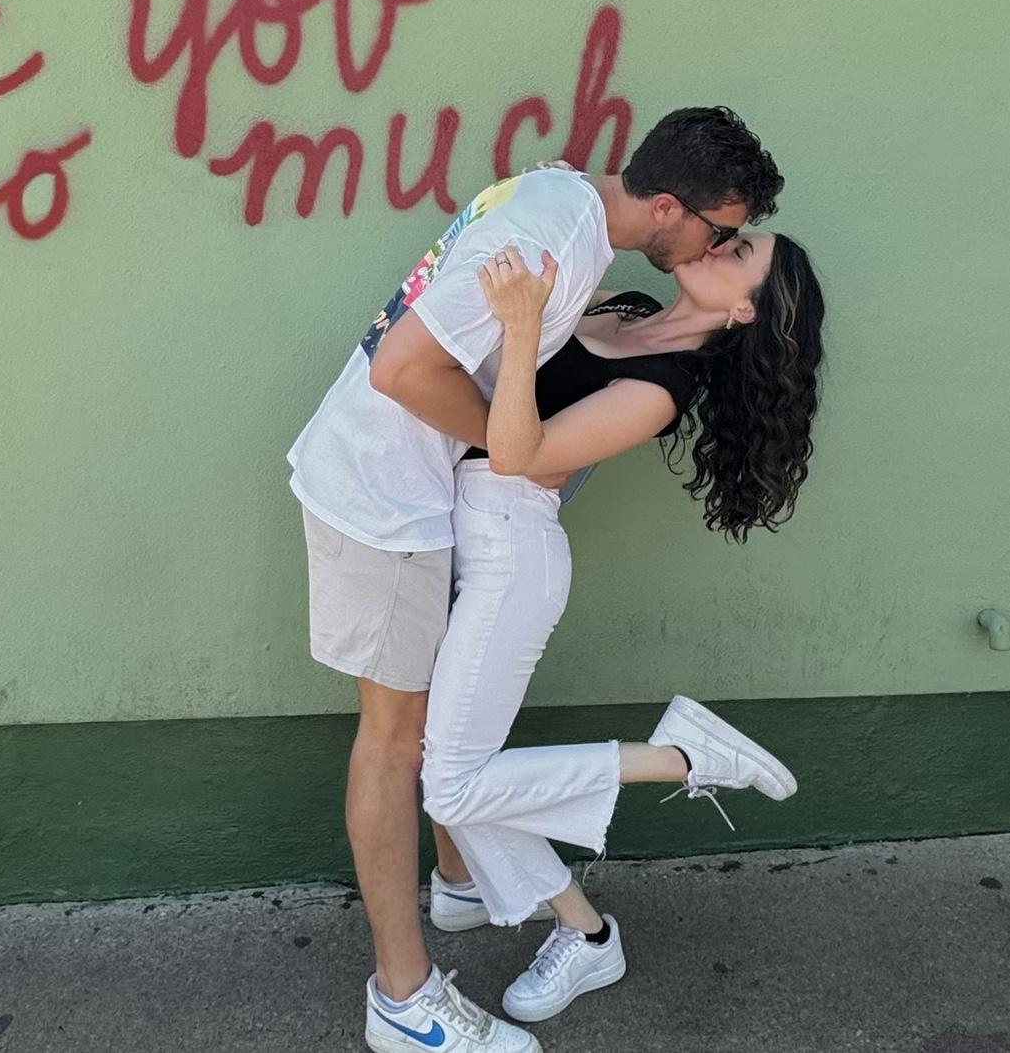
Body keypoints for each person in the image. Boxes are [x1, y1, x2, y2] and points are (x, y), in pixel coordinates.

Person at [288, 107, 784, 1053]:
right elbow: (408, 372)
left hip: (463, 522)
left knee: (438, 756)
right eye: (723, 231)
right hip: (390, 498)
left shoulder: (578, 234)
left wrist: (518, 385)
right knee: (402, 750)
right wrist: (509, 426)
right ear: (669, 208)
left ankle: (470, 889)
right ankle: (405, 999)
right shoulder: (575, 240)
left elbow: (527, 430)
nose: (720, 247)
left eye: (735, 248)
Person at [419, 231, 825, 1028]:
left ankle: (675, 775)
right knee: (450, 760)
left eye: (738, 251)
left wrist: (524, 326)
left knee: (453, 781)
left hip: (510, 554)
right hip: (450, 528)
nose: (717, 244)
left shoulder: (663, 386)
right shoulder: (627, 307)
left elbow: (523, 454)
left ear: (745, 310)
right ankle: (475, 887)